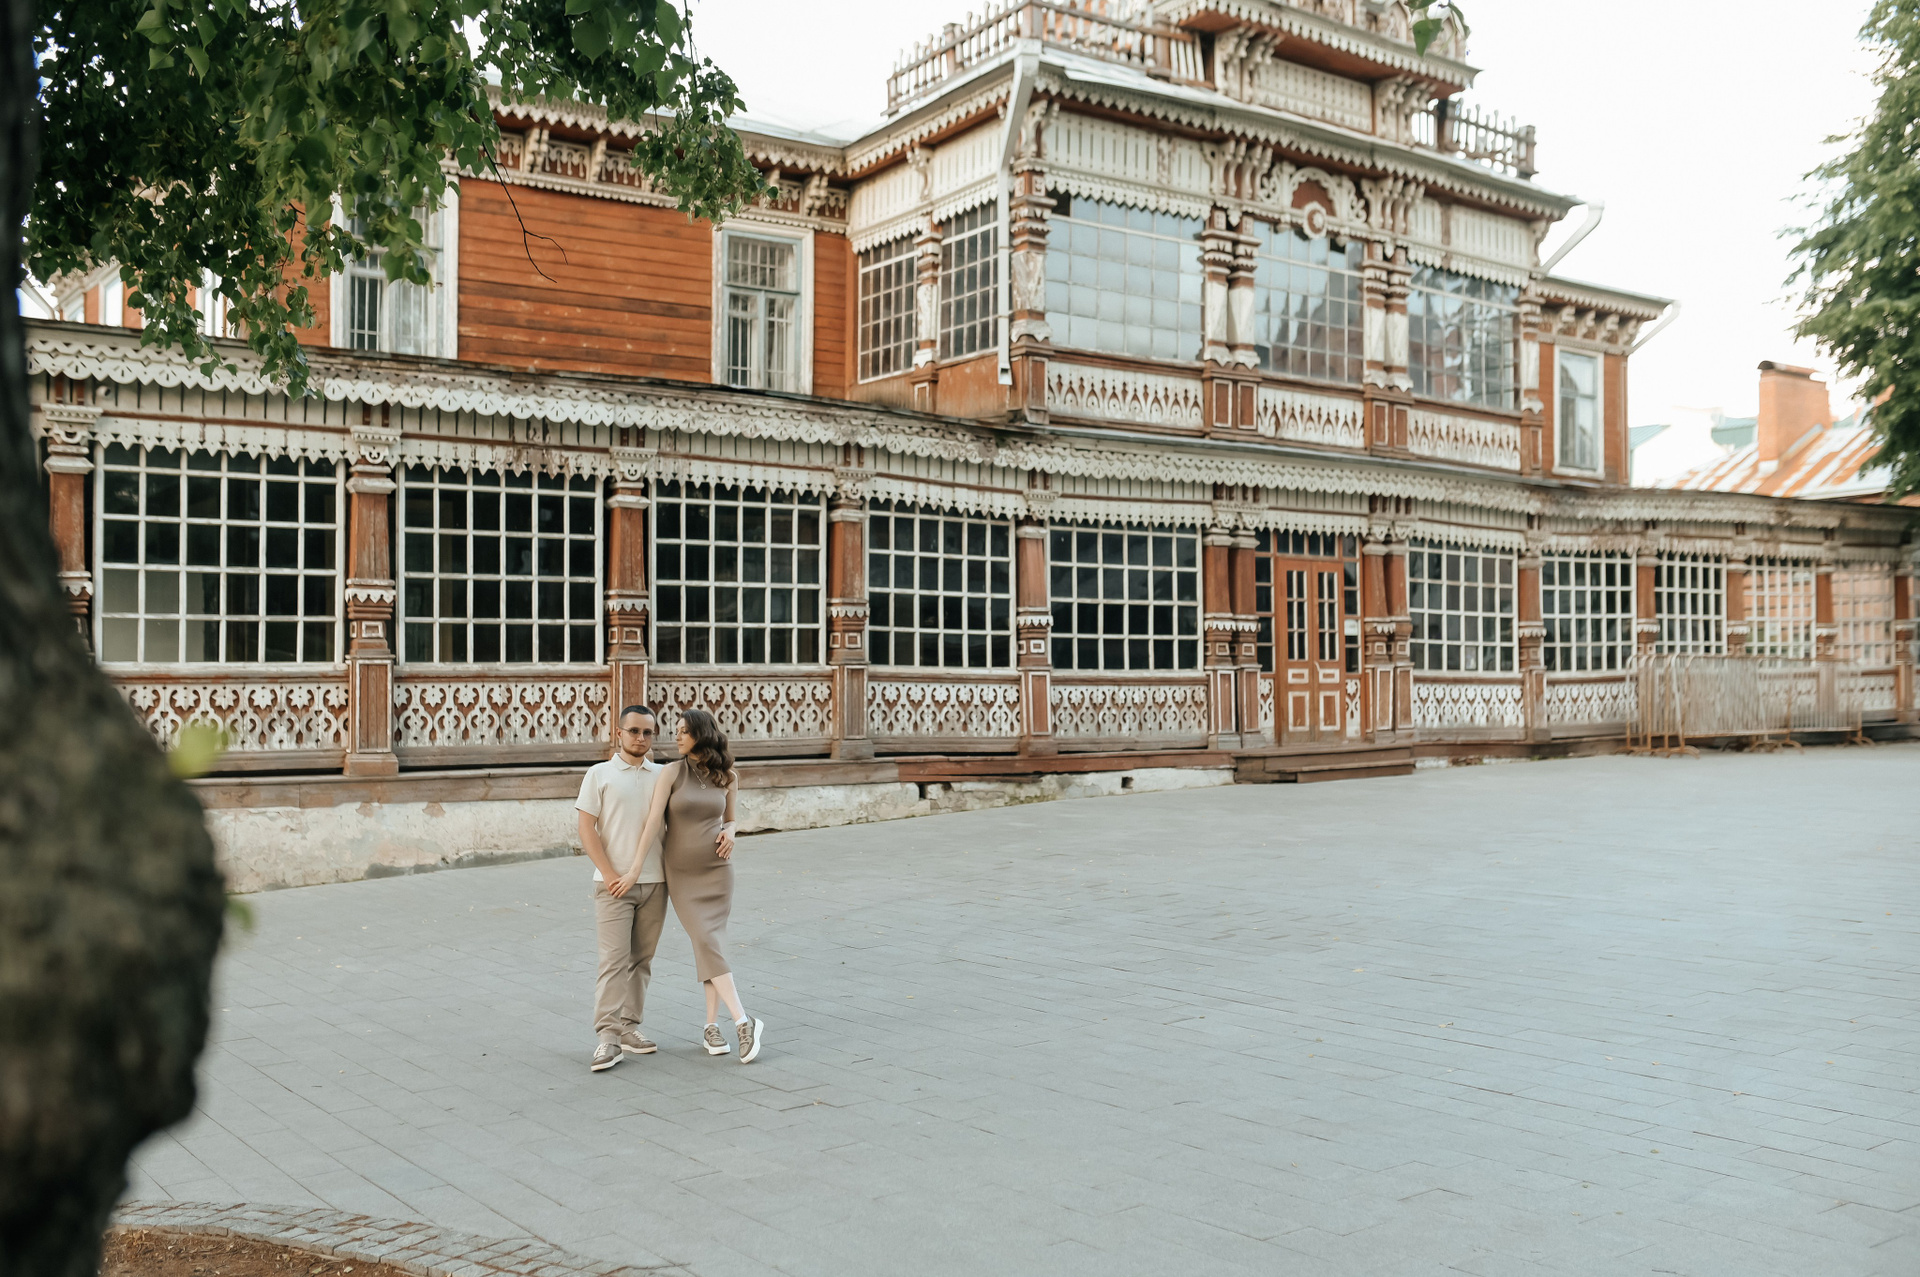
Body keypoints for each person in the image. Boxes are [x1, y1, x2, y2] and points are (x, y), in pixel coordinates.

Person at [618, 707, 762, 1063]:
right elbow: (654, 823)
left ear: (701, 733)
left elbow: (731, 820)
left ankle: (712, 1027)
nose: (676, 737)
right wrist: (635, 869)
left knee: (710, 944)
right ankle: (744, 1021)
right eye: (676, 730)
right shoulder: (671, 773)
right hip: (681, 876)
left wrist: (732, 831)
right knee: (707, 942)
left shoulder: (727, 775)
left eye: (683, 731)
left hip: (717, 872)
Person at [576, 705, 668, 1073]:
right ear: (619, 733)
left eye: (647, 732)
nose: (640, 738)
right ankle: (608, 1038)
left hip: (656, 882)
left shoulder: (663, 775)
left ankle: (629, 1028)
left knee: (641, 961)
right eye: (633, 731)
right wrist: (609, 873)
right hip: (612, 885)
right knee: (613, 962)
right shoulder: (599, 774)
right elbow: (586, 828)